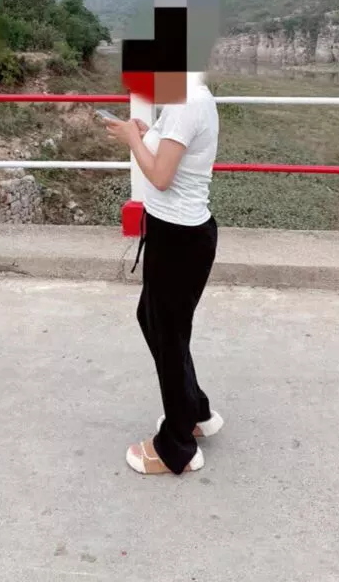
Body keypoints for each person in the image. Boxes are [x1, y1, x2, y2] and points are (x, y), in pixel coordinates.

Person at [105, 69, 222, 476]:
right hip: (173, 234)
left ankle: (178, 447)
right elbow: (168, 154)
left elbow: (160, 176)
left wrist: (132, 139)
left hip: (180, 239)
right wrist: (145, 133)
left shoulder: (187, 102)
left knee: (168, 336)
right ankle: (194, 411)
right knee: (157, 323)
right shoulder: (184, 98)